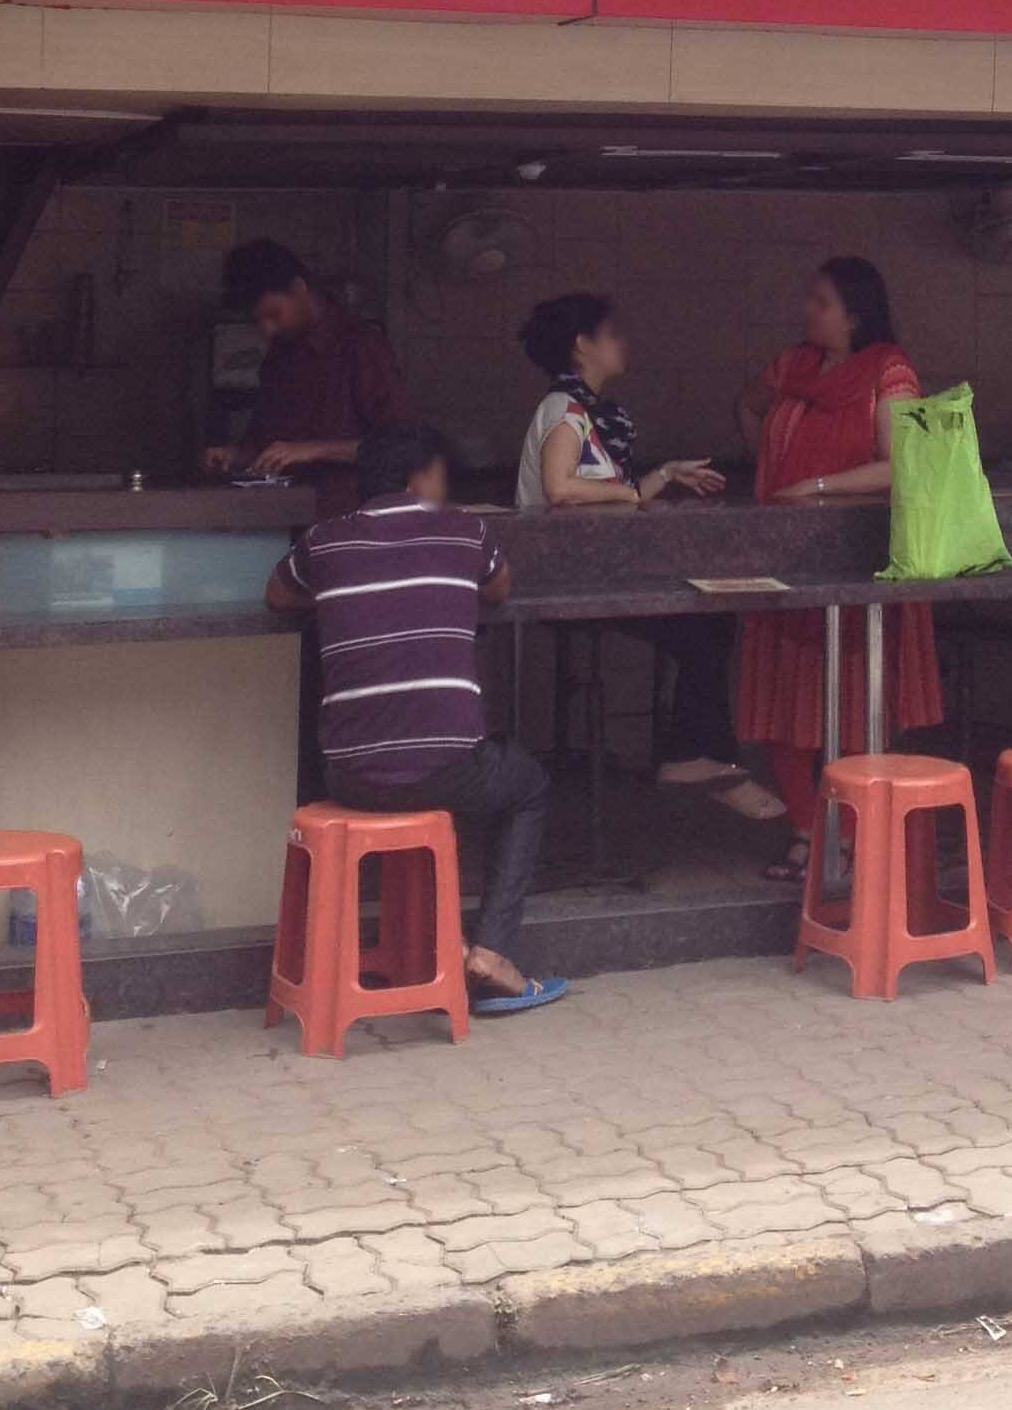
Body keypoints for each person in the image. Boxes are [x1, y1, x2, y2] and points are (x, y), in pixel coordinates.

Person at [268, 425, 566, 1013]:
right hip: (447, 769)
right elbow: (499, 589)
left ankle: (444, 945)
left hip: (348, 777)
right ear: (419, 479)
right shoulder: (465, 531)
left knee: (420, 769)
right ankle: (491, 954)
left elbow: (279, 595)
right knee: (528, 785)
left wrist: (338, 594)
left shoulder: (324, 544)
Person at [515, 293, 782, 824]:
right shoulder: (565, 410)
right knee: (702, 627)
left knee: (706, 623)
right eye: (612, 333)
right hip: (562, 582)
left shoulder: (590, 414)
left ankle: (698, 755)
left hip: (589, 576)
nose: (624, 343)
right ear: (582, 345)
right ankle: (693, 757)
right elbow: (561, 487)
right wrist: (633, 494)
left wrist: (664, 475)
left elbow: (608, 489)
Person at [735, 256, 942, 881]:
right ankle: (806, 832)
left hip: (859, 567)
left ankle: (852, 837)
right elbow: (746, 407)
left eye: (821, 301)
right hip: (784, 561)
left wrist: (817, 486)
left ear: (854, 313)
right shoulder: (793, 367)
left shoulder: (890, 370)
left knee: (853, 704)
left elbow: (906, 464)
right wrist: (772, 474)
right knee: (784, 705)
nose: (809, 310)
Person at [208, 239, 412, 514]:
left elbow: (404, 444)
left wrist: (313, 449)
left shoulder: (360, 346)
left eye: (274, 314)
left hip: (348, 522)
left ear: (298, 288)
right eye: (259, 321)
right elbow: (268, 441)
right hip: (281, 520)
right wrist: (237, 455)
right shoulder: (280, 357)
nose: (268, 330)